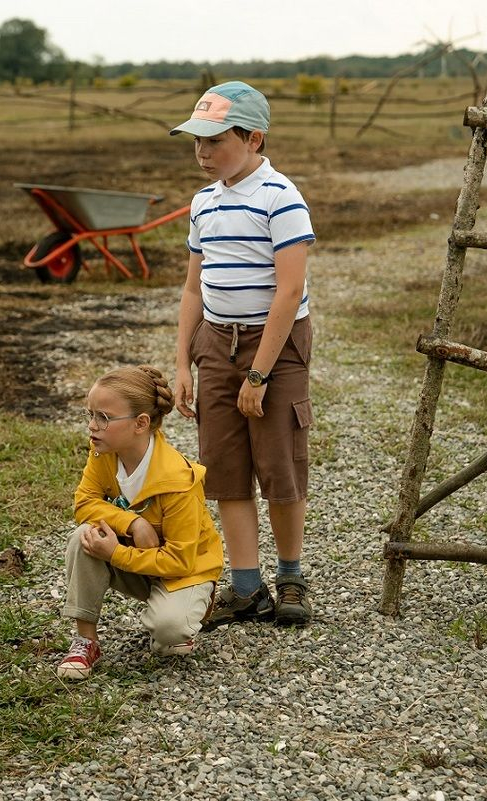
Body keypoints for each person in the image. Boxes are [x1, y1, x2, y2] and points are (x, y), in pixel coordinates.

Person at [169, 81, 316, 629]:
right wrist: (184, 362)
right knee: (225, 467)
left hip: (273, 346)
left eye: (214, 141)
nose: (203, 153)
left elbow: (289, 291)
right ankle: (247, 588)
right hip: (216, 342)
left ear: (254, 138)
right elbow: (192, 288)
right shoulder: (203, 203)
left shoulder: (281, 197)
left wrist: (258, 374)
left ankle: (292, 576)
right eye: (197, 142)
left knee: (279, 462)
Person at [57, 365, 224, 680]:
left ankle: (189, 612)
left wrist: (116, 554)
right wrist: (132, 524)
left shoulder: (179, 481)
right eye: (90, 415)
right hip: (141, 558)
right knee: (85, 536)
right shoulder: (103, 454)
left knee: (169, 634)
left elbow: (180, 560)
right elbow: (85, 503)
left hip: (184, 572)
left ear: (141, 423)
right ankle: (86, 640)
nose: (92, 426)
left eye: (103, 418)